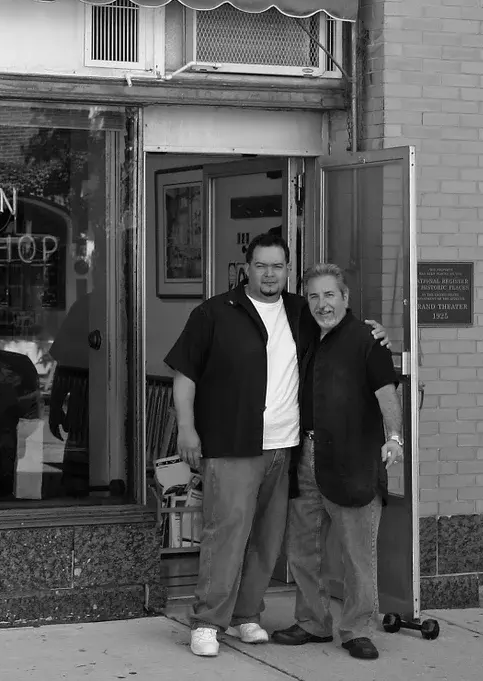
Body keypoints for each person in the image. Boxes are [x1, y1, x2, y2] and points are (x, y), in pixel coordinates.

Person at [164, 234, 387, 659]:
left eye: (278, 266)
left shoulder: (299, 311)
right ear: (245, 268)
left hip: (285, 448)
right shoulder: (214, 313)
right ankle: (208, 621)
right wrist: (187, 428)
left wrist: (375, 331)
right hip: (232, 446)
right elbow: (185, 375)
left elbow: (337, 320)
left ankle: (246, 614)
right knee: (225, 534)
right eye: (261, 265)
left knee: (267, 540)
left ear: (288, 271)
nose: (269, 274)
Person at [270, 263, 402, 661]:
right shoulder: (306, 334)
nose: (321, 304)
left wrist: (395, 437)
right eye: (313, 296)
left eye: (329, 295)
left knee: (357, 553)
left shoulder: (367, 339)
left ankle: (357, 628)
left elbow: (387, 394)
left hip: (353, 460)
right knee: (302, 549)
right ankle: (313, 622)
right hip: (305, 456)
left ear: (345, 298)